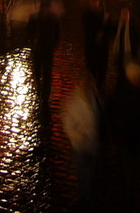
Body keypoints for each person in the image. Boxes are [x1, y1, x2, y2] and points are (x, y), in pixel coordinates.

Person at [107, 59, 140, 208]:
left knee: (129, 164)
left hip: (132, 134)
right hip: (127, 134)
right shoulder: (139, 91)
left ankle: (128, 191)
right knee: (128, 164)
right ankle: (128, 190)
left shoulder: (124, 90)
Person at [61, 72, 102, 212]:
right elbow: (68, 123)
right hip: (80, 145)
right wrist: (79, 137)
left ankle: (87, 195)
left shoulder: (95, 99)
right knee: (83, 172)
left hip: (92, 144)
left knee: (88, 171)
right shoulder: (76, 103)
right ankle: (84, 198)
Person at [28, 0, 62, 109]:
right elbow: (30, 33)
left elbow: (57, 34)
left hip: (46, 49)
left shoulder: (51, 18)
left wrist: (54, 45)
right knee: (38, 72)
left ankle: (45, 94)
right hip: (39, 49)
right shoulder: (39, 18)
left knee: (46, 73)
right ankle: (39, 89)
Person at [80, 0, 110, 91]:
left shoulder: (102, 12)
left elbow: (108, 29)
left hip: (102, 47)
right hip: (91, 46)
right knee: (91, 69)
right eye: (93, 1)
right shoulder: (87, 14)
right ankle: (93, 87)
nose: (95, 3)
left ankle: (99, 87)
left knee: (101, 69)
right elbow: (86, 27)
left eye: (97, 1)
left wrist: (105, 22)